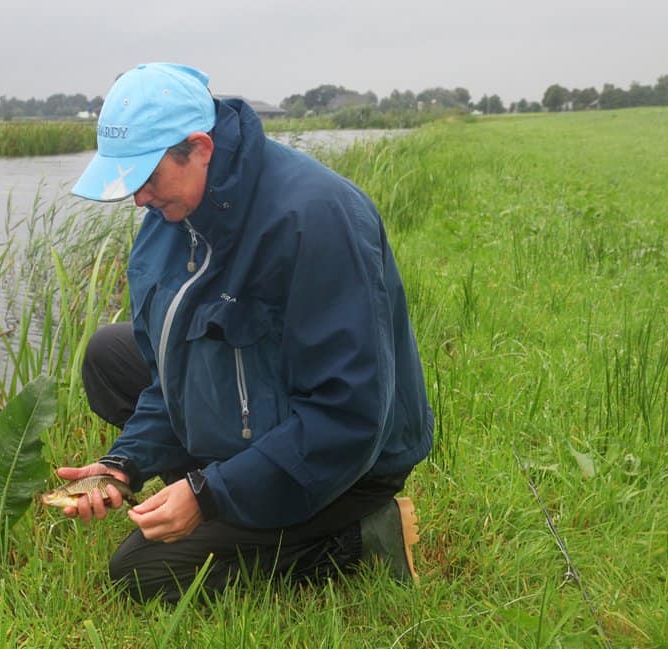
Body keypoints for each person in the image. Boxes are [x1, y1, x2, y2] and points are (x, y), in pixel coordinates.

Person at [58, 62, 434, 604]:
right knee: (107, 356)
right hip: (261, 408)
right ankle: (228, 495)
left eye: (146, 177)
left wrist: (209, 495)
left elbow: (349, 416)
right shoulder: (172, 215)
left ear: (200, 147)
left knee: (140, 572)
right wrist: (125, 463)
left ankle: (358, 533)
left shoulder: (316, 217)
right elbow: (172, 371)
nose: (137, 198)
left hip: (352, 462)